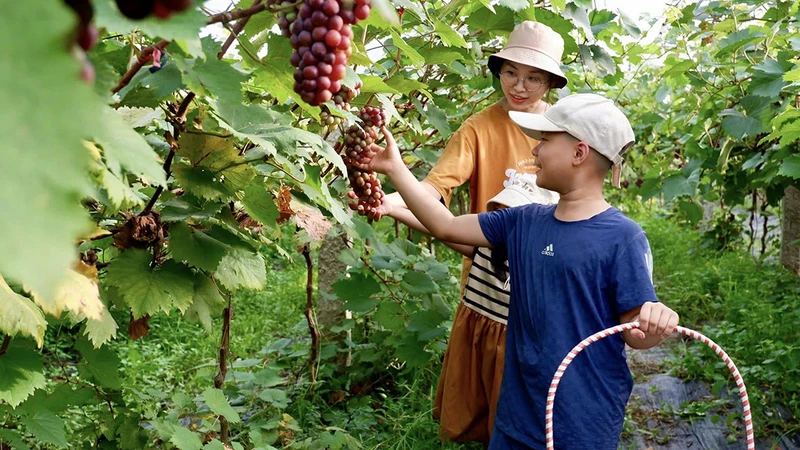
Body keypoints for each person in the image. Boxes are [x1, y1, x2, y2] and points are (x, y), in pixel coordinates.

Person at [359, 93, 680, 449]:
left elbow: (636, 333)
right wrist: (394, 169)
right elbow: (446, 225)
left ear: (579, 153)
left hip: (583, 423)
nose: (534, 152)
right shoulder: (522, 222)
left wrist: (656, 320)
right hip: (517, 414)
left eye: (544, 141)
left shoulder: (623, 238)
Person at [377, 21, 568, 445]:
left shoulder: (563, 129)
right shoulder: (479, 127)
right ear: (498, 71)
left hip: (543, 280)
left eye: (533, 77)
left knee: (534, 389)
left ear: (551, 81)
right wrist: (392, 199)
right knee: (485, 390)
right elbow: (434, 188)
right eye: (510, 73)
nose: (519, 85)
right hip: (487, 274)